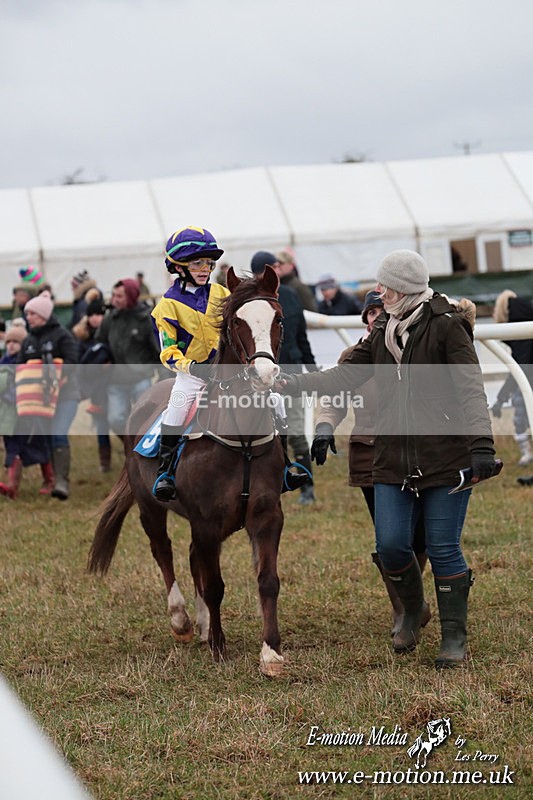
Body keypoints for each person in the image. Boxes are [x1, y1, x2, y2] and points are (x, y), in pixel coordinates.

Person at [278, 249, 497, 669]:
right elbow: (345, 374)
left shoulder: (447, 326)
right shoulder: (383, 330)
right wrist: (293, 384)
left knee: (442, 547)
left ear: (402, 288)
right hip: (392, 458)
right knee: (392, 545)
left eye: (384, 286)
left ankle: (454, 638)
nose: (378, 292)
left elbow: (470, 388)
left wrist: (482, 446)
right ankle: (412, 611)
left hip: (445, 458)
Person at [312, 289, 429, 634]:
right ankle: (403, 609)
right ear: (365, 319)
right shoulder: (354, 355)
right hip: (371, 455)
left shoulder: (413, 349)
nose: (378, 316)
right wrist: (324, 427)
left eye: (384, 309)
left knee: (420, 536)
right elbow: (334, 396)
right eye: (372, 311)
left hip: (418, 453)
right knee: (388, 537)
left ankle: (411, 600)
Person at [151, 227, 229, 501]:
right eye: (197, 263)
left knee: (274, 399)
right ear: (179, 266)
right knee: (177, 406)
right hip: (192, 374)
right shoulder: (167, 306)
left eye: (209, 263)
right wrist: (192, 367)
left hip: (228, 370)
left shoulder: (223, 293)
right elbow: (168, 351)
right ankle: (166, 472)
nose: (205, 269)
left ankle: (284, 466)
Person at [251, 251, 318, 505]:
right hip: (261, 379)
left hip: (292, 375)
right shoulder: (250, 301)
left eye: (278, 266)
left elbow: (302, 337)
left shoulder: (290, 295)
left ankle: (306, 486)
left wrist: (313, 371)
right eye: (271, 267)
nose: (277, 271)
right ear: (259, 273)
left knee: (297, 432)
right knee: (266, 436)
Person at [17, 292, 80, 500]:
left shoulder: (63, 336)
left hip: (66, 395)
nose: (28, 317)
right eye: (27, 314)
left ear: (43, 314)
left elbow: (72, 362)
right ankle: (51, 479)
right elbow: (20, 368)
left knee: (58, 433)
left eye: (32, 313)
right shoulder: (27, 341)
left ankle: (61, 482)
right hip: (39, 400)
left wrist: (54, 374)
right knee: (46, 436)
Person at [95, 278, 161, 438]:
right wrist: (102, 359)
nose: (114, 300)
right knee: (116, 420)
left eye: (119, 296)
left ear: (130, 297)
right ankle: (131, 445)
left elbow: (159, 351)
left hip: (141, 378)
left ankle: (144, 447)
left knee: (146, 419)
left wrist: (162, 377)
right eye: (113, 295)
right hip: (116, 380)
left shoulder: (146, 319)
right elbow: (99, 341)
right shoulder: (110, 318)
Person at [0, 324, 54, 498]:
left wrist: (10, 395)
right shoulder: (3, 362)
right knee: (12, 448)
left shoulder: (28, 364)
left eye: (16, 342)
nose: (11, 345)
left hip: (27, 412)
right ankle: (12, 486)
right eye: (9, 342)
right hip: (8, 415)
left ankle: (49, 479)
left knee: (38, 445)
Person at [491, 290, 533, 466]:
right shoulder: (526, 325)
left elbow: (519, 370)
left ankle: (526, 452)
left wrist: (500, 399)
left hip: (528, 383)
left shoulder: (521, 334)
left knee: (520, 403)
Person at [72, 291, 112, 472]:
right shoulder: (82, 339)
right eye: (92, 314)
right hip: (96, 390)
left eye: (99, 314)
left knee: (119, 421)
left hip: (114, 385)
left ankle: (134, 452)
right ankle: (105, 461)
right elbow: (80, 367)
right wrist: (99, 368)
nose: (96, 318)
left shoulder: (110, 334)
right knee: (102, 425)